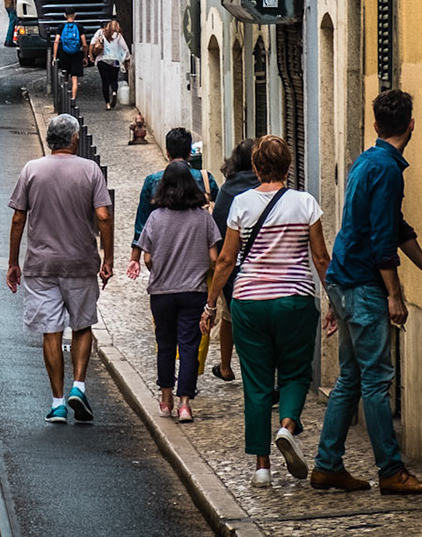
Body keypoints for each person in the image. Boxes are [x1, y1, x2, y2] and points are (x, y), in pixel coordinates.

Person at [311, 89, 422, 496]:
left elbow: (395, 225)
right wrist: (395, 294)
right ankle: (390, 470)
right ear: (411, 125)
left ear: (375, 126)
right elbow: (382, 238)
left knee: (350, 377)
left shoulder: (368, 161)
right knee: (375, 380)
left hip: (344, 278)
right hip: (363, 284)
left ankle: (327, 465)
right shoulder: (387, 170)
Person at [202, 135, 330, 489]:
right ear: (289, 167)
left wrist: (211, 304)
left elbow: (226, 260)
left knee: (257, 384)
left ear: (256, 168)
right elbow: (320, 258)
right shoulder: (305, 203)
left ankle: (261, 468)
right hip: (295, 300)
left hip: (249, 303)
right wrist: (333, 300)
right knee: (295, 374)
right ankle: (287, 427)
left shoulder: (241, 203)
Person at [6, 113, 115, 424]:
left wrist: (14, 262)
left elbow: (18, 218)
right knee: (81, 325)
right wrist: (108, 258)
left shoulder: (31, 170)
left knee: (50, 331)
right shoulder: (90, 170)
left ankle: (57, 403)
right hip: (80, 262)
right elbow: (104, 217)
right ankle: (78, 387)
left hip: (41, 265)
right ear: (75, 140)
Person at [136, 162, 220, 423]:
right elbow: (214, 259)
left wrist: (159, 267)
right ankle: (185, 404)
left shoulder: (155, 217)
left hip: (161, 291)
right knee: (189, 346)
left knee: (165, 345)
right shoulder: (203, 218)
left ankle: (165, 399)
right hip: (193, 291)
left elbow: (147, 257)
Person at [128, 126, 218, 277]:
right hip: (197, 254)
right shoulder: (205, 179)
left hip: (163, 256)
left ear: (167, 152)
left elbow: (142, 222)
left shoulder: (152, 181)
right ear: (190, 152)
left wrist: (135, 257)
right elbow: (219, 213)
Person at [206, 139, 258, 381]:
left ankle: (226, 366)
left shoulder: (228, 190)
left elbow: (218, 229)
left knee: (229, 317)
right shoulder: (268, 187)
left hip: (234, 270)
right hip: (265, 269)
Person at [90, 19, 130, 112]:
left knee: (105, 82)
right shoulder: (118, 36)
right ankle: (115, 92)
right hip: (114, 61)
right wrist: (126, 59)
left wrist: (90, 54)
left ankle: (107, 104)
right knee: (114, 79)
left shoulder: (100, 32)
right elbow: (125, 48)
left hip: (102, 60)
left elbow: (92, 43)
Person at [55, 10, 88, 105]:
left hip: (64, 54)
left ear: (65, 15)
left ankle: (65, 98)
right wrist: (85, 56)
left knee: (65, 76)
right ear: (75, 15)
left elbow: (56, 41)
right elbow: (85, 44)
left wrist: (54, 56)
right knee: (74, 78)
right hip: (76, 54)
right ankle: (73, 99)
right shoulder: (79, 27)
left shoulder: (61, 27)